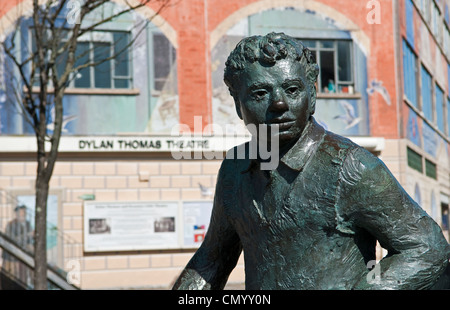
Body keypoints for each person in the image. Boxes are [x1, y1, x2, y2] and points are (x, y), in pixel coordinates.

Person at [172, 32, 450, 290]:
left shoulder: (350, 167)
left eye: (292, 90)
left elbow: (427, 248)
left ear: (312, 95)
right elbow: (212, 259)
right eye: (259, 94)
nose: (279, 104)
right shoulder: (234, 169)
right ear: (237, 104)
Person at [1, 205, 34, 288]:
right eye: (21, 212)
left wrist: (30, 244)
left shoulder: (27, 224)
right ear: (17, 214)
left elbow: (28, 240)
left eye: (24, 212)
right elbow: (11, 239)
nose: (23, 214)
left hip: (23, 256)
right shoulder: (11, 225)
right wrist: (27, 235)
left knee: (23, 277)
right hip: (11, 257)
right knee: (11, 277)